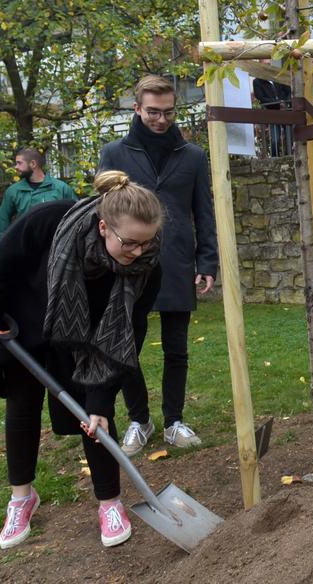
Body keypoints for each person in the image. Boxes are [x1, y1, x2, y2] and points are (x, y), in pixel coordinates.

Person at [0, 171, 163, 549]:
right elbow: (3, 260)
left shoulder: (146, 266)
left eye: (147, 243)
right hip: (25, 325)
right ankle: (21, 498)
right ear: (103, 226)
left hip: (86, 345)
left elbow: (129, 335)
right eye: (130, 243)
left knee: (95, 418)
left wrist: (102, 398)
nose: (139, 252)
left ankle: (110, 503)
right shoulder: (51, 220)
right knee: (22, 407)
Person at [98, 74, 218, 455]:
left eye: (168, 112)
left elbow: (204, 212)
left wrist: (208, 260)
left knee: (176, 348)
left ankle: (174, 420)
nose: (161, 120)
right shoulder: (114, 154)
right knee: (126, 348)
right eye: (152, 112)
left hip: (178, 262)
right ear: (136, 109)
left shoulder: (194, 157)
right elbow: (99, 211)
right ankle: (139, 419)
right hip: (128, 264)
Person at [0, 148, 76, 240]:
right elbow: (0, 226)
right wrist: (8, 250)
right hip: (27, 249)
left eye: (19, 163)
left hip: (56, 247)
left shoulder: (61, 188)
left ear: (33, 164)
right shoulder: (13, 191)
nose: (16, 167)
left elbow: (78, 216)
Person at [253, 77, 292, 157]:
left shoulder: (277, 76)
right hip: (272, 112)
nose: (267, 64)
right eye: (264, 63)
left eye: (269, 63)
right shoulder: (257, 81)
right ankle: (275, 158)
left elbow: (289, 91)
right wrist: (278, 103)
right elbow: (261, 98)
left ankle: (289, 156)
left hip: (285, 111)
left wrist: (286, 103)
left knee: (290, 136)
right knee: (275, 140)